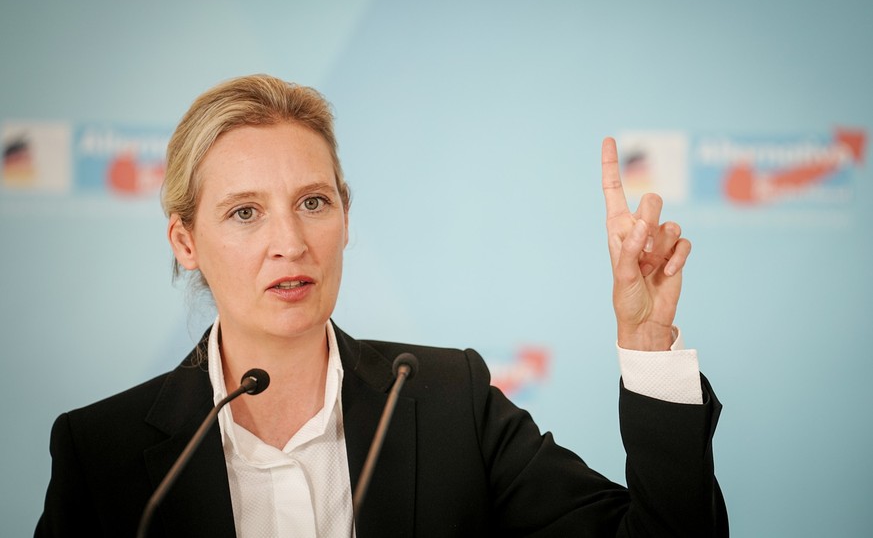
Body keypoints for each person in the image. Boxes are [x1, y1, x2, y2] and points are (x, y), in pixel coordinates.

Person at [35, 74, 727, 537]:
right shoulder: (103, 454)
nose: (290, 242)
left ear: (344, 215)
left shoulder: (450, 401)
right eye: (245, 213)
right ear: (185, 242)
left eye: (313, 202)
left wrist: (644, 339)